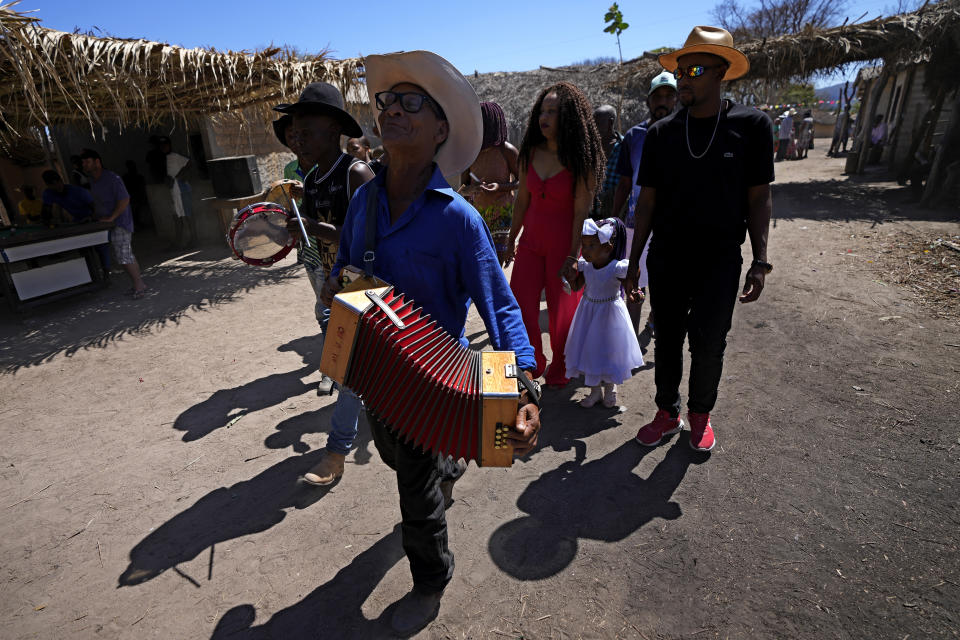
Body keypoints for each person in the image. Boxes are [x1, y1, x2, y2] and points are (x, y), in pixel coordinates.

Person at [323, 50, 540, 636]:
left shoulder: (458, 218)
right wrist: (335, 280)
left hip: (436, 377)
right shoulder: (364, 201)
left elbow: (499, 304)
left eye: (409, 102)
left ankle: (429, 580)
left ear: (440, 129)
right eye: (386, 101)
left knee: (413, 494)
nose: (391, 109)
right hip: (377, 376)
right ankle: (447, 464)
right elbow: (344, 268)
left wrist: (522, 386)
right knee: (395, 454)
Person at [623, 25, 775, 453]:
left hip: (720, 257)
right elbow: (647, 203)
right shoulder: (661, 134)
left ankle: (699, 415)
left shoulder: (751, 127)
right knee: (668, 338)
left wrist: (760, 260)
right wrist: (634, 261)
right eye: (679, 70)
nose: (682, 79)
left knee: (709, 342)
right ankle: (666, 412)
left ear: (721, 72)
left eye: (693, 69)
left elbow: (760, 198)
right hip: (668, 256)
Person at [273, 82, 376, 486]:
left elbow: (368, 239)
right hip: (339, 284)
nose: (298, 139)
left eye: (307, 131)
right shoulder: (314, 179)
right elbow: (319, 236)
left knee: (347, 368)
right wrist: (295, 234)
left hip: (367, 284)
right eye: (295, 133)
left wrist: (313, 227)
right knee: (356, 369)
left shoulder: (357, 173)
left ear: (334, 130)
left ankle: (335, 453)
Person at [506, 81, 605, 387]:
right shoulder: (530, 153)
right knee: (521, 304)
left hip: (563, 245)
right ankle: (532, 363)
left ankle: (562, 367)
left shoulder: (581, 160)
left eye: (552, 111)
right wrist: (511, 239)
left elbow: (580, 213)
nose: (544, 117)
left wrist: (572, 256)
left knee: (562, 314)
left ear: (569, 119)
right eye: (542, 110)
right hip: (530, 244)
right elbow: (522, 199)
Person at [610, 71, 679, 338]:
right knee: (634, 280)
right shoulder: (634, 136)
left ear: (675, 99)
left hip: (671, 224)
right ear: (649, 101)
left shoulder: (684, 132)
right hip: (635, 223)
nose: (662, 101)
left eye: (668, 96)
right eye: (657, 96)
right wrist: (613, 218)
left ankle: (655, 320)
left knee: (666, 283)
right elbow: (625, 183)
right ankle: (628, 341)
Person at [564, 217, 643, 408]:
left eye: (592, 246)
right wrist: (570, 279)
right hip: (588, 313)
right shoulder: (585, 266)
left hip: (610, 316)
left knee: (609, 352)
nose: (586, 250)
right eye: (584, 245)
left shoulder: (617, 267)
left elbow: (631, 283)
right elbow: (577, 287)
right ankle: (594, 391)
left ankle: (610, 388)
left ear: (608, 247)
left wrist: (635, 293)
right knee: (590, 352)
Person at [80, 149, 148, 297]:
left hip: (120, 222)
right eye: (83, 162)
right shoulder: (93, 180)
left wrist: (112, 217)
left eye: (87, 162)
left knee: (124, 255)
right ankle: (138, 284)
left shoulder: (112, 178)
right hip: (109, 223)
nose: (84, 165)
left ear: (97, 162)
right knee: (122, 255)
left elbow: (124, 200)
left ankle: (140, 285)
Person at [459, 101, 519, 264]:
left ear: (492, 125)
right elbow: (462, 190)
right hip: (477, 218)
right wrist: (471, 189)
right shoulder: (470, 154)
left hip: (502, 220)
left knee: (496, 266)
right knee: (480, 265)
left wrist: (501, 187)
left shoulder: (507, 151)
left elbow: (525, 181)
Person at [157, 136, 195, 248]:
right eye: (162, 146)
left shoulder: (175, 156)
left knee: (187, 216)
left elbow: (189, 163)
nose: (164, 147)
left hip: (182, 190)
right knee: (177, 217)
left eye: (165, 145)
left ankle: (193, 240)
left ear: (169, 145)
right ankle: (179, 242)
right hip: (174, 192)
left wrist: (180, 175)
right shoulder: (164, 159)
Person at [591, 104, 622, 219]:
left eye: (597, 124)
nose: (593, 128)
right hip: (589, 215)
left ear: (610, 123)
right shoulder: (590, 148)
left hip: (613, 216)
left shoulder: (624, 148)